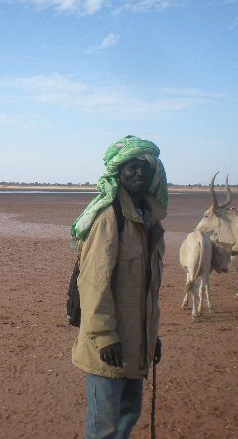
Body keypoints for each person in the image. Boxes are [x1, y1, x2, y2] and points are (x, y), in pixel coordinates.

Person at [70, 135, 168, 439]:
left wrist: (152, 338)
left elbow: (144, 292)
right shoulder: (109, 218)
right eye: (131, 167)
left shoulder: (147, 221)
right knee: (104, 428)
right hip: (108, 346)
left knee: (129, 416)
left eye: (144, 168)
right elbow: (93, 283)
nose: (138, 173)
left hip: (136, 343)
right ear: (118, 172)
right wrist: (104, 337)